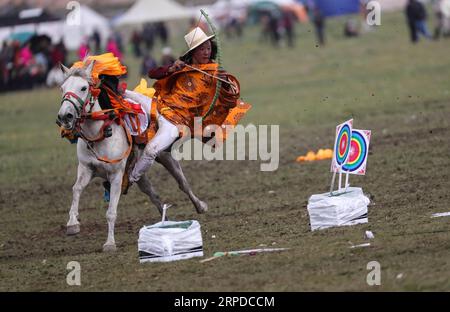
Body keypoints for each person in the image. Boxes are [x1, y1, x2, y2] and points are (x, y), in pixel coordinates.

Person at [128, 27, 244, 184]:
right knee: (126, 96)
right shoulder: (183, 66)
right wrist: (171, 68)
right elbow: (152, 74)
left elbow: (231, 99)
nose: (206, 52)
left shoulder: (215, 72)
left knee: (150, 150)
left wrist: (226, 84)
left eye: (208, 48)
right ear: (193, 52)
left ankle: (130, 179)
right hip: (160, 105)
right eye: (202, 49)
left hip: (179, 121)